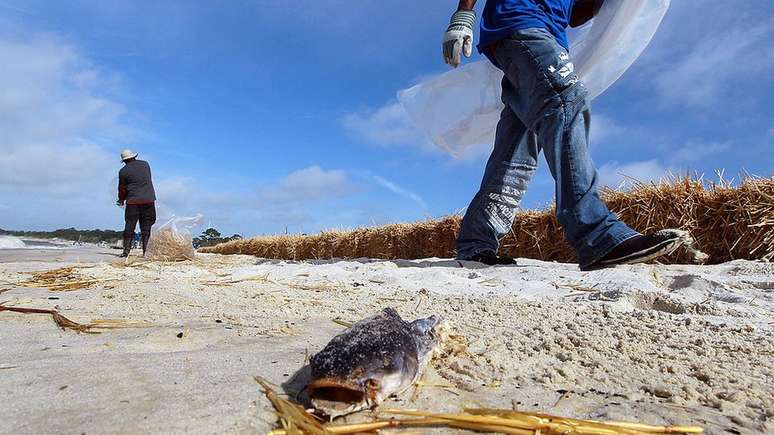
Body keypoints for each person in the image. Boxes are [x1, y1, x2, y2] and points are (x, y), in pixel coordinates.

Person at [443, 0, 684, 270]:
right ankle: (596, 233)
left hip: (545, 36)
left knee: (518, 147)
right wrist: (463, 14)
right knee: (566, 99)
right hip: (520, 22)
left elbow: (575, 15)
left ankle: (477, 243)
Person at [117, 149, 156, 257]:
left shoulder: (123, 171)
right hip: (148, 200)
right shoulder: (145, 165)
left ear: (124, 161)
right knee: (147, 228)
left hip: (133, 202)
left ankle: (126, 252)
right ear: (134, 157)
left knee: (129, 226)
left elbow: (122, 189)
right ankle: (146, 252)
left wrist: (121, 199)